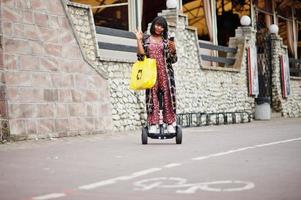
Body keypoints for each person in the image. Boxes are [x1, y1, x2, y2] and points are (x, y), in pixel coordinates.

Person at [135, 16, 177, 134]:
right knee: (152, 99)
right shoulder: (146, 40)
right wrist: (138, 40)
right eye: (157, 25)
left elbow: (173, 60)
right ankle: (153, 124)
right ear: (153, 25)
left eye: (162, 26)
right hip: (150, 74)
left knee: (168, 98)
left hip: (165, 74)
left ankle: (169, 123)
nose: (159, 28)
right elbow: (141, 57)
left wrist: (173, 49)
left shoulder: (166, 41)